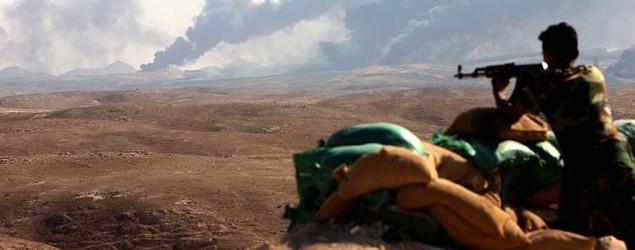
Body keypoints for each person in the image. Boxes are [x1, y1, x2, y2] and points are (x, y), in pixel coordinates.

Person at [490, 22, 635, 247]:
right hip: (618, 158)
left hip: (583, 167)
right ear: (576, 54)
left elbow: (512, 115)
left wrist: (498, 91)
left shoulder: (542, 84)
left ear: (546, 53)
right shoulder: (594, 74)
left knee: (570, 236)